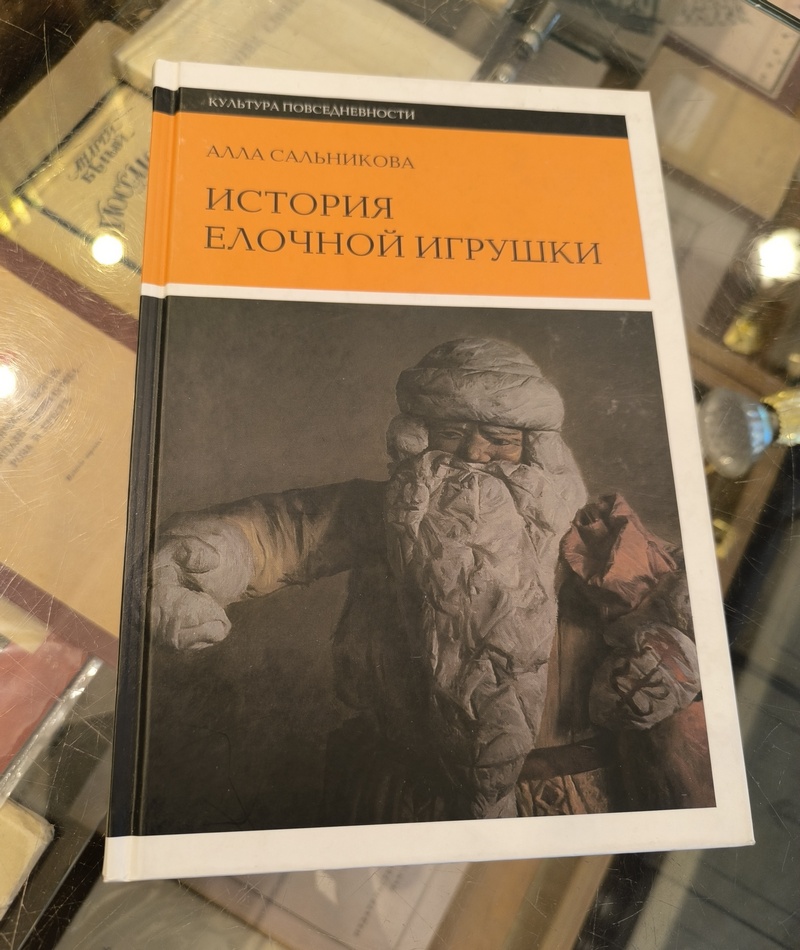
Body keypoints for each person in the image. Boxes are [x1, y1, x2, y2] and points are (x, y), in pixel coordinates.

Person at [151, 338, 712, 824]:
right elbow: (278, 531)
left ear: (536, 449)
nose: (475, 454)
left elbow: (675, 612)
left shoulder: (589, 532)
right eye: (451, 433)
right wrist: (197, 563)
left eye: (500, 438)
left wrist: (668, 656)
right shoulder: (389, 516)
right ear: (417, 439)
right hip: (399, 792)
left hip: (558, 801)